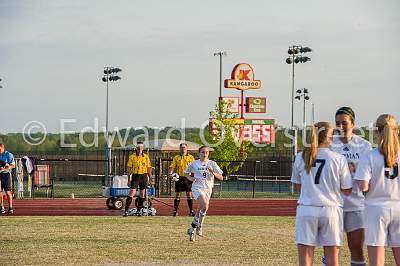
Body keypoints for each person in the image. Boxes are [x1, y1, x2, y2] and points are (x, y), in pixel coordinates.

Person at [291, 122, 352, 266]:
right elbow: (347, 190)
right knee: (332, 259)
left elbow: (298, 186)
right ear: (329, 138)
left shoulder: (301, 157)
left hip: (306, 208)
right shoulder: (338, 159)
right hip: (331, 210)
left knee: (305, 259)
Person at [355, 114, 400, 266]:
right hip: (399, 207)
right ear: (396, 131)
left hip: (375, 208)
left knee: (376, 261)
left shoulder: (369, 155)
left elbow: (363, 186)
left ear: (376, 131)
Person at [330, 106, 372, 266]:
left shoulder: (364, 146)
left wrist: (355, 167)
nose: (340, 127)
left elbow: (370, 174)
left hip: (356, 205)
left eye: (344, 123)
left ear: (353, 124)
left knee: (357, 249)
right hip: (334, 205)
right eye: (337, 123)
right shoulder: (330, 144)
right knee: (332, 251)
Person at [184, 145, 223, 241]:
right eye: (203, 152)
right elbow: (186, 173)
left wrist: (213, 173)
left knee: (202, 209)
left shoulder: (212, 163)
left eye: (207, 152)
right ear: (199, 153)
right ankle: (200, 226)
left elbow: (221, 177)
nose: (205, 154)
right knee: (204, 205)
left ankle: (192, 229)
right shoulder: (194, 163)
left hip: (208, 189)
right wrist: (191, 178)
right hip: (197, 188)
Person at [123, 142, 152, 216]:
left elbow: (148, 168)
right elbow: (129, 168)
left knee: (142, 194)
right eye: (138, 148)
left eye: (141, 148)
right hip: (135, 176)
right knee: (132, 192)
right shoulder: (132, 157)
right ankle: (126, 210)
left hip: (143, 176)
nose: (139, 150)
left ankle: (139, 210)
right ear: (136, 148)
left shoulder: (146, 157)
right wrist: (129, 179)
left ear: (143, 148)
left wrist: (150, 177)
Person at [168, 143, 195, 216]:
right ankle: (175, 211)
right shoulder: (176, 157)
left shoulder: (191, 157)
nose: (183, 149)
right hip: (179, 178)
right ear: (179, 149)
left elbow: (194, 168)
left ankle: (191, 211)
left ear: (187, 148)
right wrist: (170, 174)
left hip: (188, 178)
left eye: (184, 147)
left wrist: (193, 177)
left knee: (189, 194)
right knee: (177, 194)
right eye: (181, 148)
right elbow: (172, 166)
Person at [0, 143, 16, 214]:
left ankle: (10, 207)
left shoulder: (9, 155)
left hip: (6, 175)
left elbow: (13, 166)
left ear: (3, 148)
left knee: (8, 192)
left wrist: (4, 168)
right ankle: (1, 207)